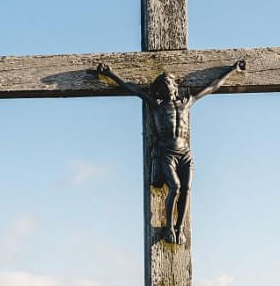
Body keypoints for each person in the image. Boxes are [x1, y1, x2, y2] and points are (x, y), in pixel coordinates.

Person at [96, 59, 245, 244]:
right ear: (159, 89)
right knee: (175, 187)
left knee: (186, 189)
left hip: (185, 153)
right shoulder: (156, 105)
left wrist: (233, 69)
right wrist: (110, 74)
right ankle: (168, 227)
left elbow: (212, 86)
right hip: (167, 152)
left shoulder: (187, 102)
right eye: (163, 84)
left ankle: (179, 228)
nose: (167, 86)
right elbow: (132, 89)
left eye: (169, 82)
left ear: (175, 85)